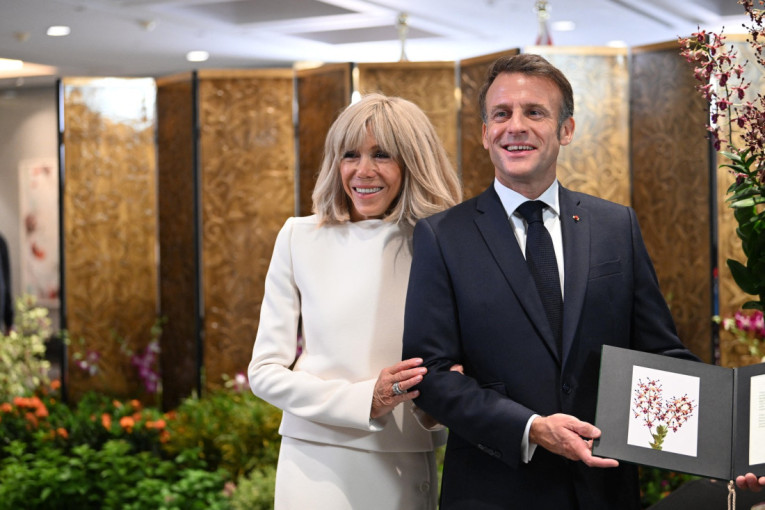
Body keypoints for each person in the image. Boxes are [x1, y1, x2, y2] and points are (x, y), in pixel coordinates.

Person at [401, 54, 699, 509]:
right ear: (485, 133)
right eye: (501, 114)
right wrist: (531, 428)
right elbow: (432, 376)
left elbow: (659, 354)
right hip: (494, 493)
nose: (515, 126)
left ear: (566, 130)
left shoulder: (616, 226)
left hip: (603, 490)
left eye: (534, 112)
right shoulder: (442, 237)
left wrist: (732, 444)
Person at [248, 93, 462, 510]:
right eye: (350, 155)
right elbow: (264, 372)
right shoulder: (298, 237)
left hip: (405, 458)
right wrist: (367, 400)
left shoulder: (441, 244)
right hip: (316, 462)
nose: (363, 171)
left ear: (414, 161)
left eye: (381, 154)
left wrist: (442, 399)